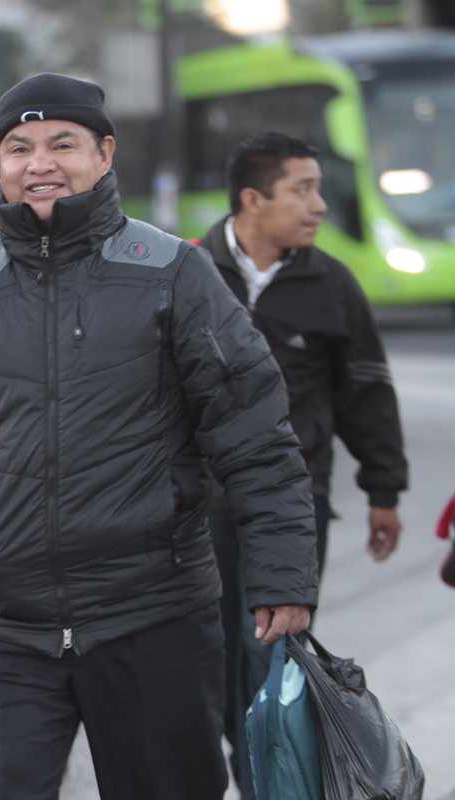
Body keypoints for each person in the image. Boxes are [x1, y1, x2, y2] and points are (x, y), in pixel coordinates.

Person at [0, 73, 319, 800]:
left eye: (62, 144)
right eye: (18, 147)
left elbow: (256, 430)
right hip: (5, 630)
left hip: (153, 617)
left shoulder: (174, 272)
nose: (38, 162)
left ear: (105, 154)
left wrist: (283, 576)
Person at [196, 131, 409, 799]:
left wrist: (384, 489)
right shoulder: (191, 272)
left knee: (272, 654)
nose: (319, 206)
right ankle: (242, 767)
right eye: (303, 190)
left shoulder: (331, 283)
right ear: (253, 199)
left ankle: (269, 782)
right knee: (208, 657)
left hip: (293, 504)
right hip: (196, 508)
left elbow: (366, 390)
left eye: (318, 188)